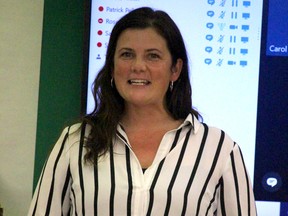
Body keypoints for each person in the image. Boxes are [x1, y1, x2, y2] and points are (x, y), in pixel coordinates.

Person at [28, 7, 257, 216]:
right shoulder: (75, 141)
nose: (138, 66)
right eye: (127, 54)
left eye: (153, 56)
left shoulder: (219, 150)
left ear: (175, 69)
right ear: (112, 65)